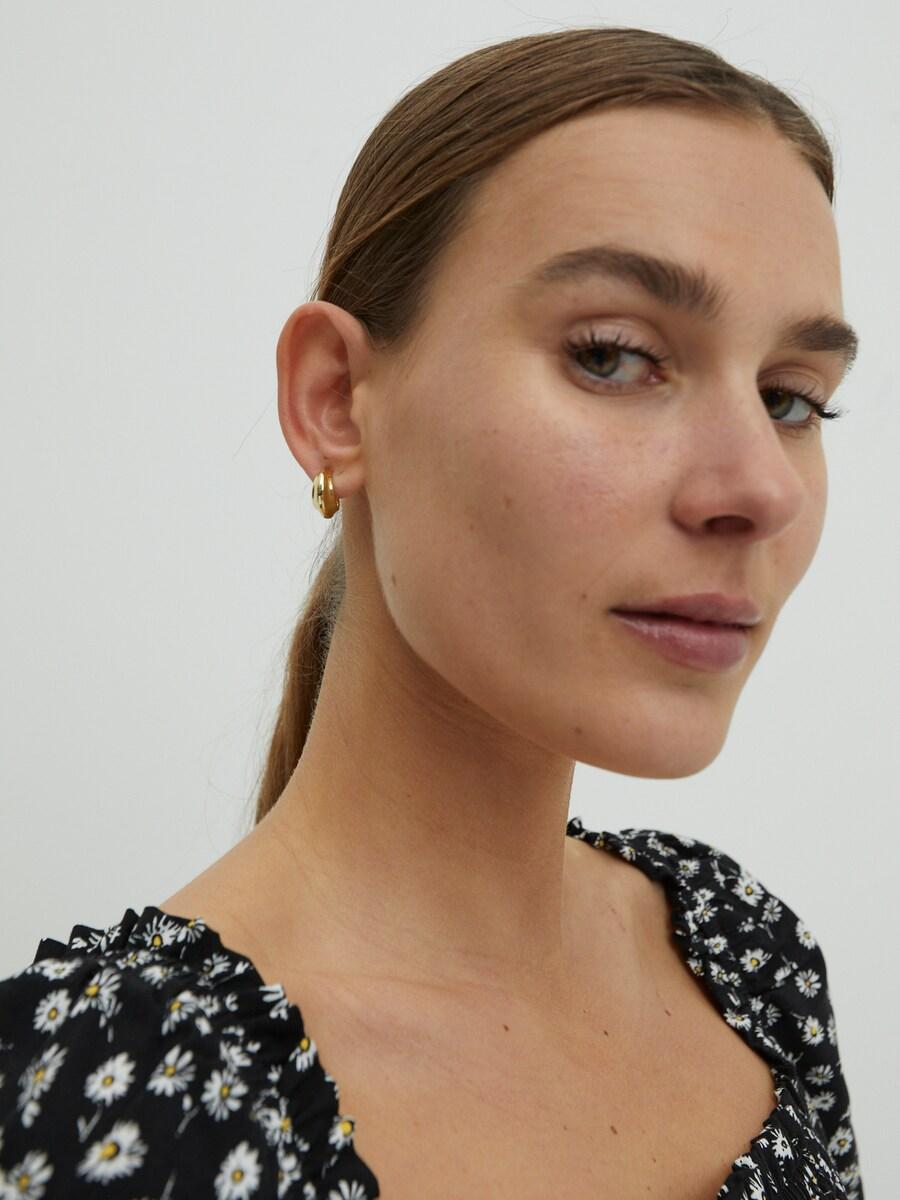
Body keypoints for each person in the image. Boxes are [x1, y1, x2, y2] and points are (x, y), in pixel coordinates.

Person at [0, 24, 864, 1200]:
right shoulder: (90, 1098)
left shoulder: (746, 961)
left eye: (792, 398)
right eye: (615, 356)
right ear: (335, 401)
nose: (760, 487)